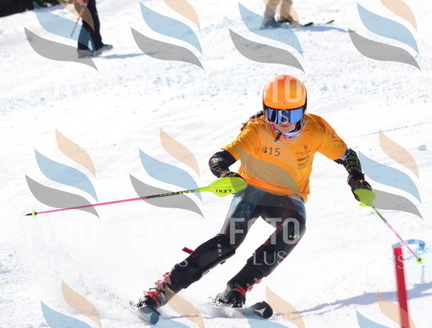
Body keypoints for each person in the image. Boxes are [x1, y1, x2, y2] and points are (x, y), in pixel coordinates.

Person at [135, 75, 373, 311]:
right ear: (265, 111)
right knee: (226, 244)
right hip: (251, 192)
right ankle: (163, 290)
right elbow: (219, 158)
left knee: (294, 227)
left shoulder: (316, 131)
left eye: (291, 115)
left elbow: (347, 156)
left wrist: (357, 178)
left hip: (287, 196)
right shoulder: (257, 130)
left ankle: (237, 287)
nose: (283, 123)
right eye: (275, 115)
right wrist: (225, 175)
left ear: (303, 110)